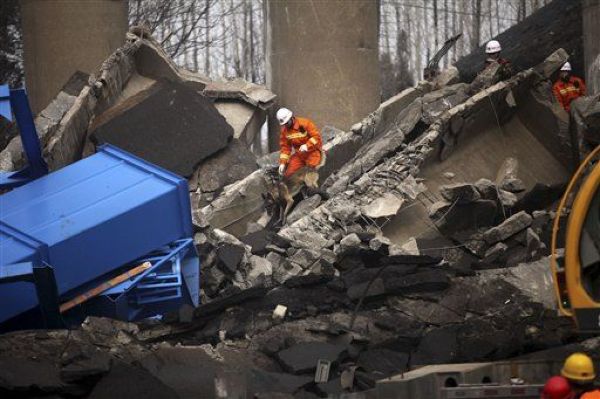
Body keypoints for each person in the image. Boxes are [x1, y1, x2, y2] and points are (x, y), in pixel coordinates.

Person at [276, 107, 323, 179]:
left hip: (312, 153)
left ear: (291, 118)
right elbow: (285, 148)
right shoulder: (285, 131)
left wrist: (307, 146)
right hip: (300, 155)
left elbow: (317, 137)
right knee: (289, 174)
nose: (286, 125)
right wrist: (283, 163)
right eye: (284, 124)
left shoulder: (305, 123)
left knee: (310, 175)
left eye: (287, 122)